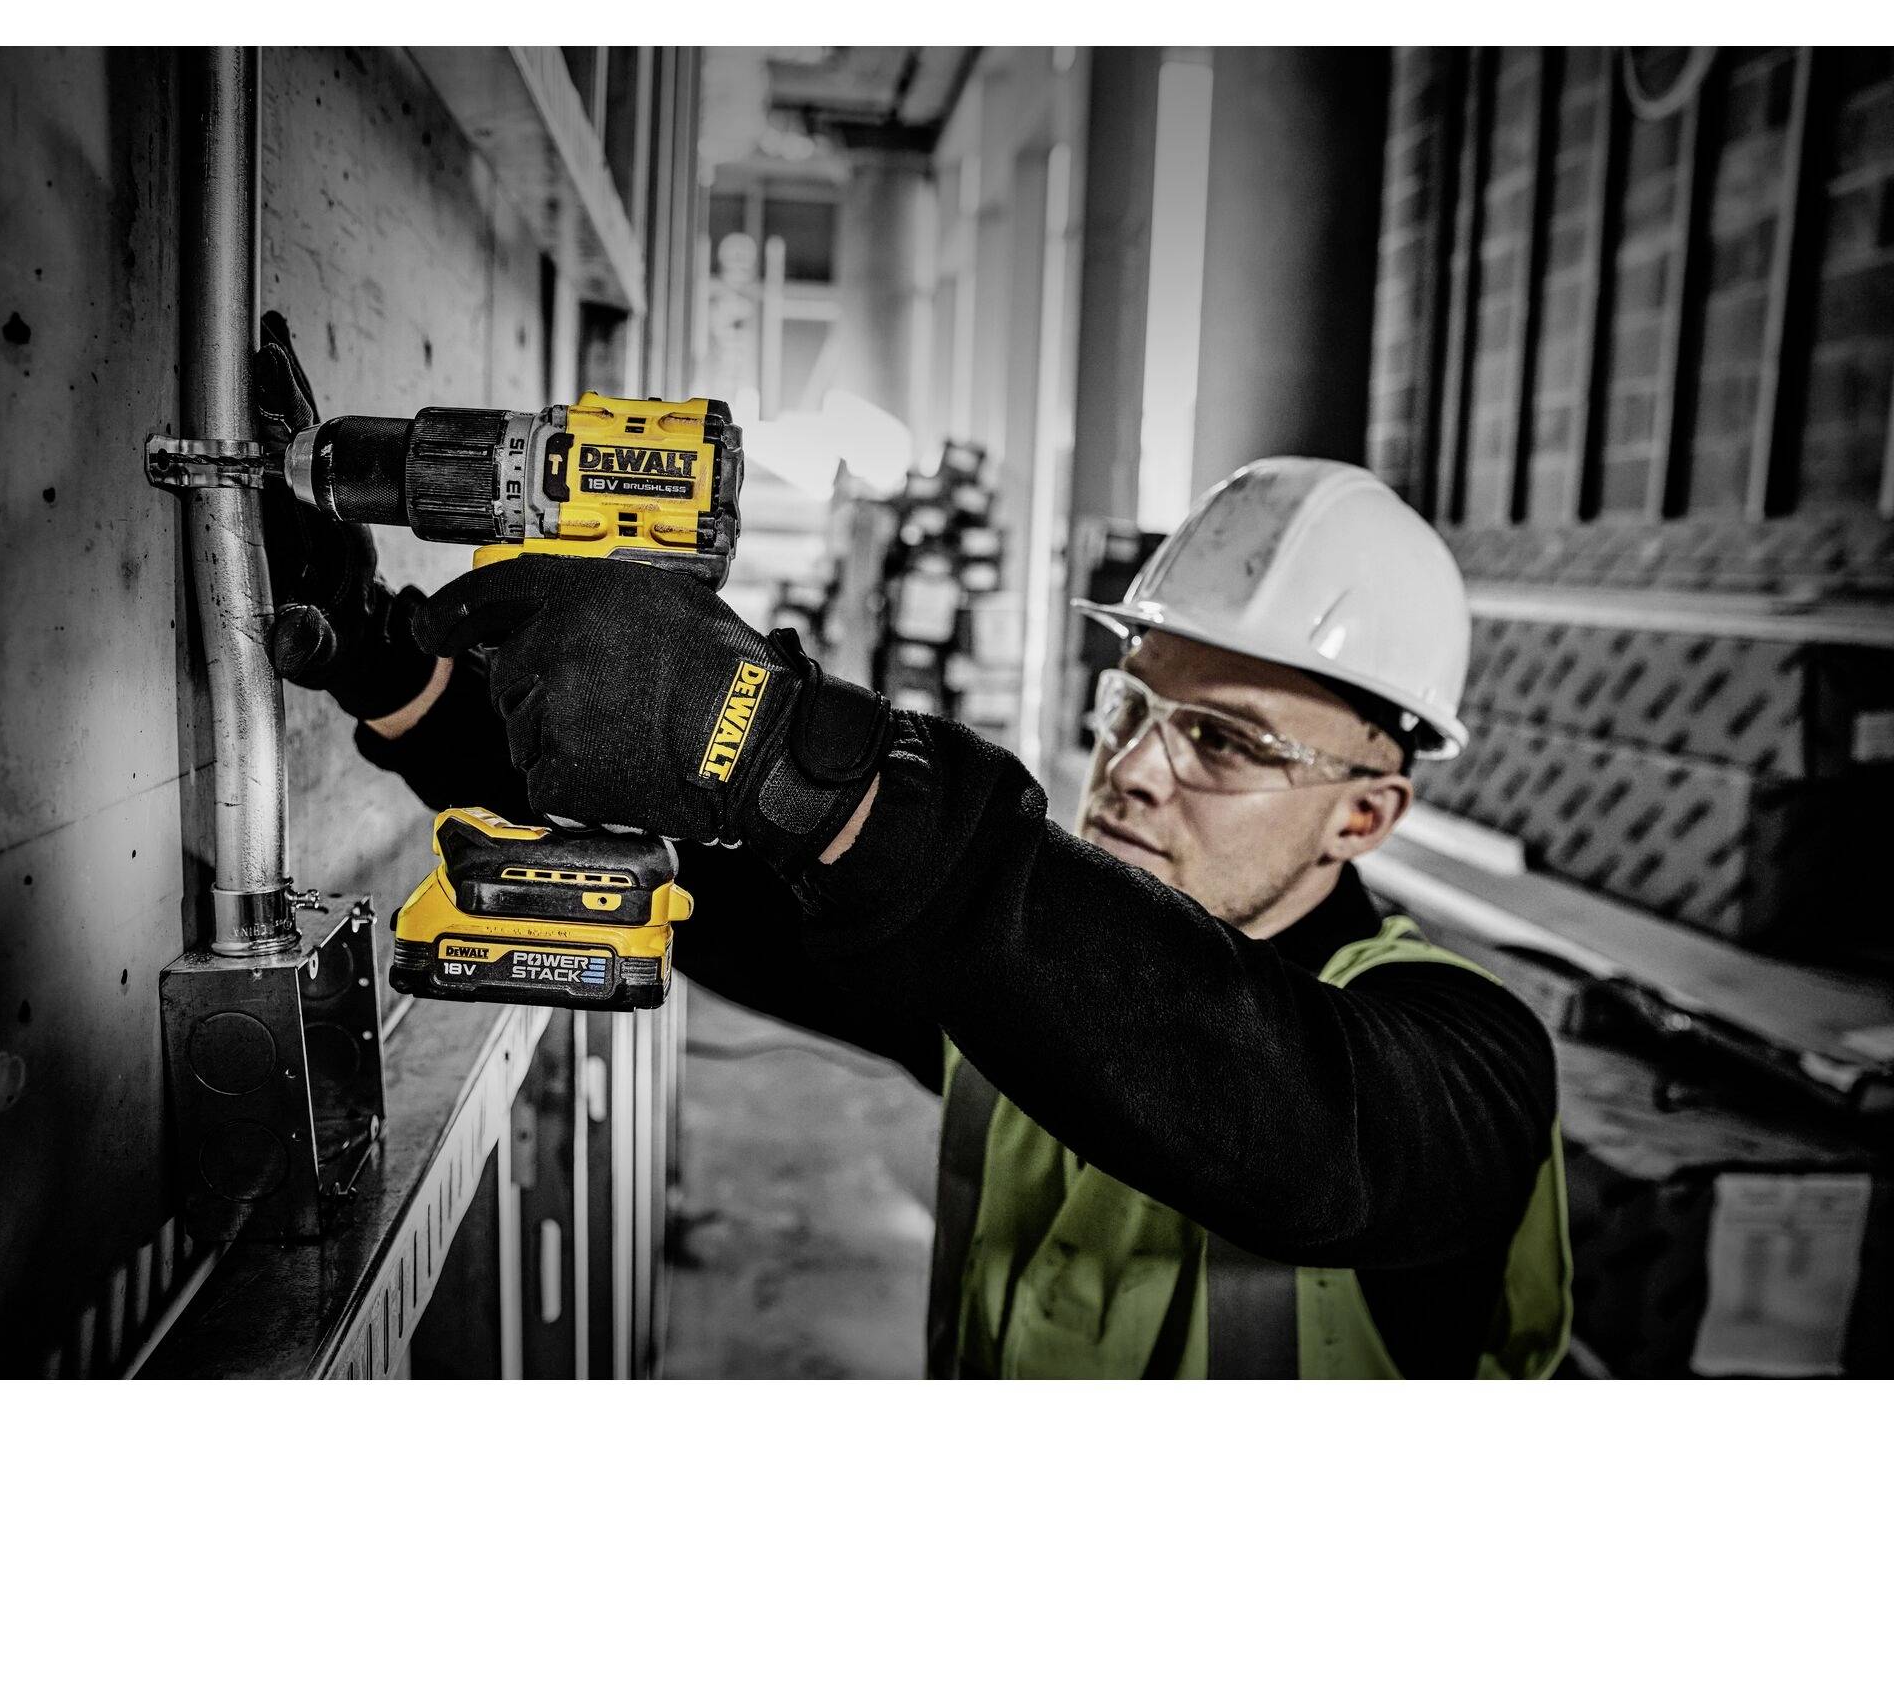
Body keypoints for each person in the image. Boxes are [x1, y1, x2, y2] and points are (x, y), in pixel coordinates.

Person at [256, 316, 1570, 1379]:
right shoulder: (1012, 977)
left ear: (1367, 811)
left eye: (1223, 742)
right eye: (1131, 707)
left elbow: (1283, 1113)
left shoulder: (1462, 1064)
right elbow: (733, 883)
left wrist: (805, 759)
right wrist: (399, 677)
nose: (1135, 767)